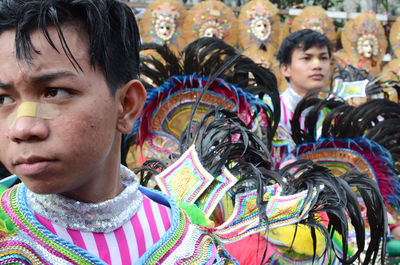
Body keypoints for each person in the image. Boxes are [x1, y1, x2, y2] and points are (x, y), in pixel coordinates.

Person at [0, 1, 233, 264]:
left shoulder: (193, 245)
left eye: (54, 92)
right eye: (3, 100)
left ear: (126, 106)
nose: (21, 128)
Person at [276, 29, 331, 133]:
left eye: (323, 58)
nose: (317, 66)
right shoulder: (266, 113)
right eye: (306, 58)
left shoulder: (335, 118)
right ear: (285, 69)